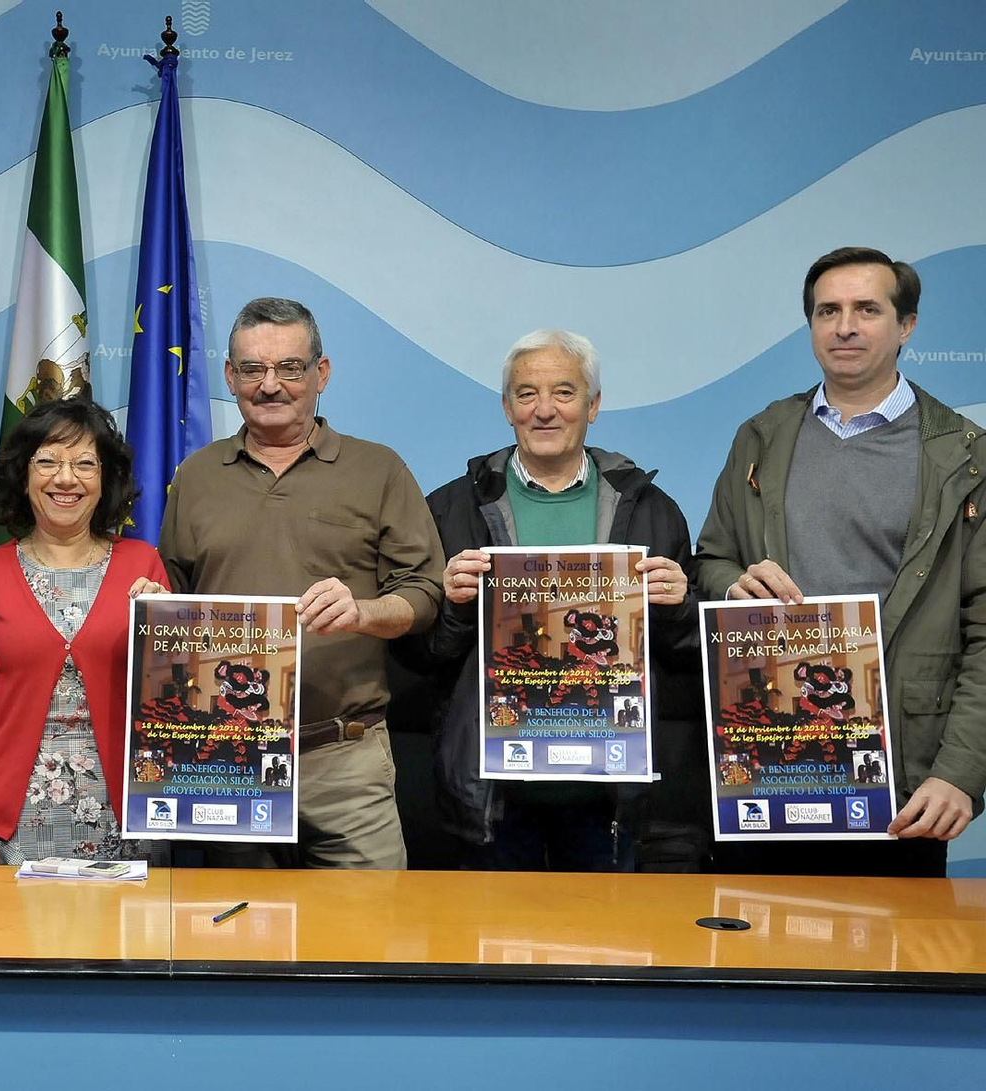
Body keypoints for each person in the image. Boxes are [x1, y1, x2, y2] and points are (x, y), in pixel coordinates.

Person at [694, 246, 986, 877]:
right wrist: (733, 583)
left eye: (866, 309)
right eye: (828, 310)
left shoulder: (964, 457)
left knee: (889, 966)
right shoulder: (763, 435)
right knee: (757, 962)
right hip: (768, 756)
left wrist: (959, 774)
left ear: (906, 326)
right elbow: (711, 560)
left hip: (903, 781)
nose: (845, 326)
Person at [394, 330, 702, 872]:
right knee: (491, 949)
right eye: (526, 393)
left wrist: (678, 605)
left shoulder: (653, 510)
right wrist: (456, 606)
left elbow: (683, 654)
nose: (544, 411)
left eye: (563, 392)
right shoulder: (449, 508)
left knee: (603, 949)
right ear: (506, 407)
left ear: (593, 405)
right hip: (493, 791)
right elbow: (422, 657)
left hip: (606, 790)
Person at [159, 297, 444, 869]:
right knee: (228, 945)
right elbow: (173, 595)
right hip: (223, 756)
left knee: (366, 943)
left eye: (289, 368)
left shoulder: (379, 469)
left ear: (321, 373)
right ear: (230, 377)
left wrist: (362, 612)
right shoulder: (196, 476)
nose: (270, 386)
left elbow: (427, 594)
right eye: (252, 370)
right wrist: (154, 610)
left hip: (344, 757)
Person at [0, 399, 168, 865]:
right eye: (47, 462)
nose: (66, 479)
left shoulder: (142, 565)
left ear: (105, 479)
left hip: (129, 820)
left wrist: (168, 632)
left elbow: (171, 699)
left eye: (85, 463)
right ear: (23, 477)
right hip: (12, 827)